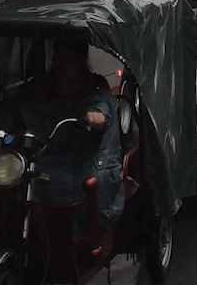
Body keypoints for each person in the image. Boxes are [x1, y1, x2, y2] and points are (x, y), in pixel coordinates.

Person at [9, 41, 123, 227]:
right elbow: (20, 108)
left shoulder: (94, 87)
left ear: (81, 62)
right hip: (45, 157)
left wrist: (96, 116)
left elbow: (102, 104)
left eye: (69, 60)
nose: (62, 65)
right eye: (58, 59)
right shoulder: (43, 87)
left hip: (82, 158)